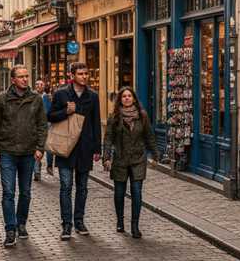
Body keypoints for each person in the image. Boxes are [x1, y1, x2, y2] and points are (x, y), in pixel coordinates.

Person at [0, 65, 47, 247]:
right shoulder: (1, 100)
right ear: (13, 80)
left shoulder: (36, 99)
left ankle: (21, 223)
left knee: (26, 192)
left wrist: (40, 148)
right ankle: (10, 229)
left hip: (29, 152)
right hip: (8, 152)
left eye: (26, 76)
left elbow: (42, 126)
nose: (24, 79)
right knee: (8, 192)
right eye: (21, 77)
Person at [49, 62, 101, 240]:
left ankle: (79, 221)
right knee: (65, 186)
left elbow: (96, 122)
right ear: (72, 75)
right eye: (81, 74)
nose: (85, 77)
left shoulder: (93, 96)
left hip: (85, 147)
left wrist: (97, 148)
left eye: (86, 73)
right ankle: (66, 225)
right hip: (66, 147)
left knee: (83, 187)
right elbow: (51, 117)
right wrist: (66, 111)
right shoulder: (61, 94)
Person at [103, 86, 158, 239]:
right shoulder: (114, 117)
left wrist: (155, 155)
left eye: (129, 96)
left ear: (134, 99)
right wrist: (106, 158)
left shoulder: (142, 116)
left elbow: (149, 136)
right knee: (119, 193)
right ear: (120, 100)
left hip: (138, 159)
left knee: (136, 192)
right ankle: (120, 221)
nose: (127, 98)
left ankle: (135, 225)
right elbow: (108, 139)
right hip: (120, 159)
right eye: (124, 96)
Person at [32, 79, 54, 181]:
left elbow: (51, 111)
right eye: (37, 84)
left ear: (44, 86)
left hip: (47, 126)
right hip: (35, 127)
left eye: (41, 84)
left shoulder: (47, 97)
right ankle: (37, 171)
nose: (39, 86)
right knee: (37, 148)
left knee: (48, 147)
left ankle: (49, 165)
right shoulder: (31, 97)